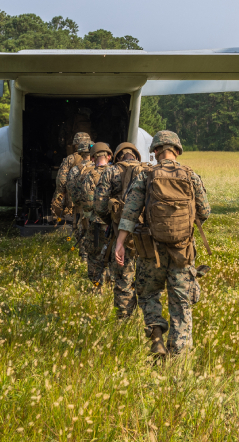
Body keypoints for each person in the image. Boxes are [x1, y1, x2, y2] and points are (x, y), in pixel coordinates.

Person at [113, 130, 209, 358]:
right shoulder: (191, 176)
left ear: (155, 151)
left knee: (147, 295)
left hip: (151, 250)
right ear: (176, 150)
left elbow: (130, 211)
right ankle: (179, 356)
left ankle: (156, 337)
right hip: (182, 251)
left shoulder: (146, 175)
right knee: (181, 303)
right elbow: (204, 211)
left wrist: (120, 242)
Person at [94, 141, 147, 319]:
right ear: (136, 155)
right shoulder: (147, 170)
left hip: (119, 233)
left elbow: (99, 205)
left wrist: (113, 222)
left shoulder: (111, 171)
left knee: (123, 279)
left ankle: (124, 319)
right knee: (144, 278)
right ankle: (144, 317)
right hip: (145, 235)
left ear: (117, 156)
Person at [68, 142, 113, 287]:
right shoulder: (116, 173)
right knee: (113, 252)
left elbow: (77, 198)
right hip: (113, 223)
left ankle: (97, 286)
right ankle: (111, 280)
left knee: (94, 254)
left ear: (92, 158)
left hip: (93, 222)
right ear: (109, 156)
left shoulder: (87, 175)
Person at [51, 132, 92, 220]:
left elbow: (61, 180)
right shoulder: (95, 158)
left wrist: (59, 196)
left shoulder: (70, 158)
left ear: (76, 145)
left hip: (74, 199)